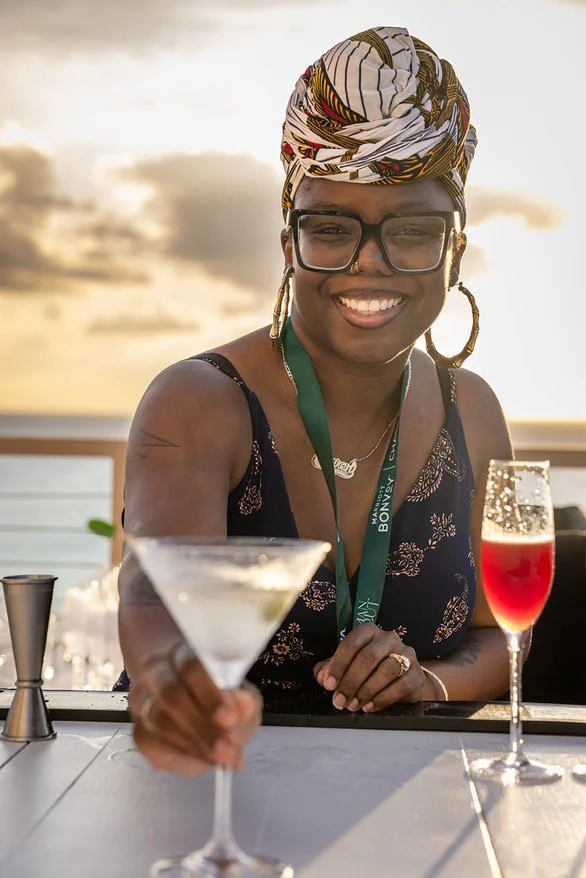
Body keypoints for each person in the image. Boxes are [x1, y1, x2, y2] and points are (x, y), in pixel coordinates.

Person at [117, 25, 512, 777]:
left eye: (414, 230)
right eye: (330, 228)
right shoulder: (197, 404)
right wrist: (175, 690)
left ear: (455, 250)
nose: (370, 263)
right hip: (200, 801)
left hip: (397, 818)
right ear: (287, 241)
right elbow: (154, 621)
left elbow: (502, 639)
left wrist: (428, 681)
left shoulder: (476, 415)